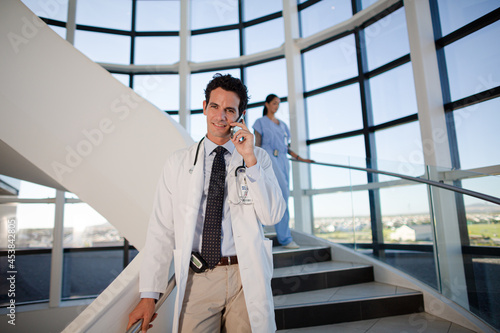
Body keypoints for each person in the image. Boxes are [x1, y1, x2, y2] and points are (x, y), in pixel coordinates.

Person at [127, 74, 286, 333]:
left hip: (246, 277)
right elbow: (161, 230)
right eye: (214, 106)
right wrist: (149, 295)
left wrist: (250, 160)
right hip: (198, 278)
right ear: (204, 107)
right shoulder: (177, 163)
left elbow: (272, 215)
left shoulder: (259, 158)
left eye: (229, 110)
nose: (220, 116)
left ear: (241, 115)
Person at [253, 94, 314, 249]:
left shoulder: (283, 125)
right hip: (268, 159)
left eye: (278, 103)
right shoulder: (260, 123)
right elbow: (257, 145)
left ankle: (284, 237)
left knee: (284, 197)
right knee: (278, 194)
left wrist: (300, 158)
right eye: (274, 103)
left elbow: (286, 148)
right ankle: (281, 237)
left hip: (283, 161)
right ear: (267, 104)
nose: (277, 106)